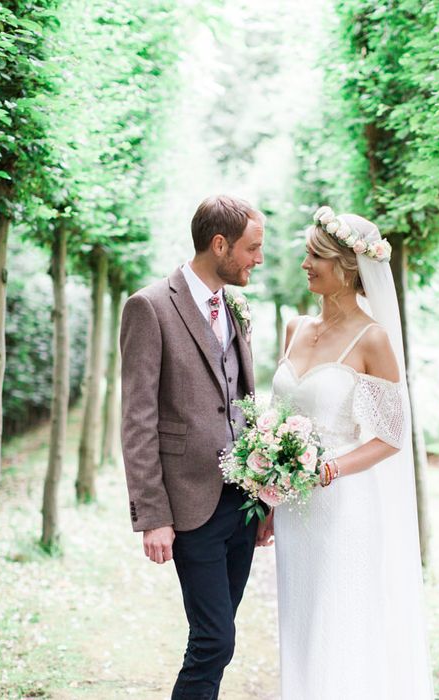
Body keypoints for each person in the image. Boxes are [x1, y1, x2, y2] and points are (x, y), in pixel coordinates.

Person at [258, 206, 432, 699]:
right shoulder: (294, 328)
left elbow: (391, 436)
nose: (306, 264)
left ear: (348, 268)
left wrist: (328, 468)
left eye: (317, 256)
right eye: (307, 255)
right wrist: (270, 498)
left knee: (339, 624)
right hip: (293, 509)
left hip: (344, 507)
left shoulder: (372, 339)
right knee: (301, 621)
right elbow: (280, 416)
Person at [119, 195, 265, 700]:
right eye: (252, 248)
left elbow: (244, 400)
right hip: (189, 505)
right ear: (219, 244)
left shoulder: (235, 306)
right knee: (213, 640)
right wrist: (152, 515)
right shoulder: (150, 306)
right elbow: (137, 420)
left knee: (215, 641)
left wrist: (264, 497)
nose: (258, 259)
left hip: (241, 504)